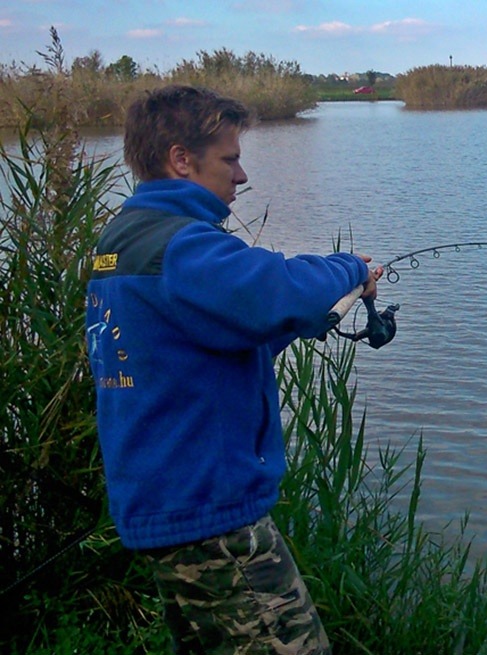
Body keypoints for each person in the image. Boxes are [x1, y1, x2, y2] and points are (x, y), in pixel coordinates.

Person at [86, 85, 378, 654]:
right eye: (230, 158)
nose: (241, 176)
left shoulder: (120, 242)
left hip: (168, 507)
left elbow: (200, 339)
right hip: (211, 517)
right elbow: (276, 288)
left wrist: (297, 323)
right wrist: (347, 269)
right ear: (180, 159)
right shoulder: (181, 246)